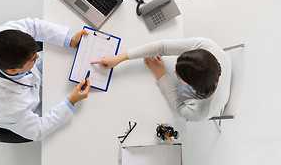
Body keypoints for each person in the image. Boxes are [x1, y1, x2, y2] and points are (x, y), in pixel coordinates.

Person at [0, 17, 90, 141]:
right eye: (33, 59)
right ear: (13, 71)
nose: (38, 55)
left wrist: (69, 40)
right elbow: (38, 130)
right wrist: (71, 102)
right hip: (24, 114)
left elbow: (32, 26)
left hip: (32, 79)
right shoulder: (10, 106)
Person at [91, 37, 231, 121]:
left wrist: (160, 74)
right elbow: (162, 47)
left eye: (178, 75)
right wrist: (120, 58)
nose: (174, 71)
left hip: (212, 99)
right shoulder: (205, 46)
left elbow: (179, 106)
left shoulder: (200, 112)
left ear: (192, 86)